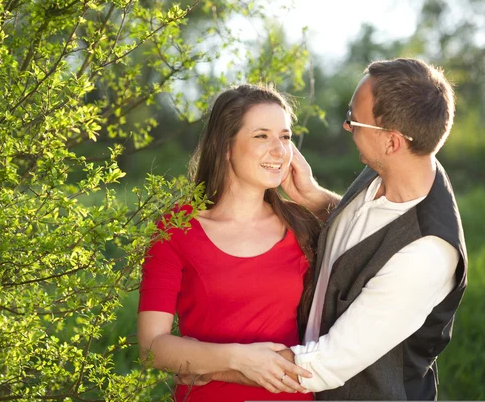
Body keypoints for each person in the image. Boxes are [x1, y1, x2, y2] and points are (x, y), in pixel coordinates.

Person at [187, 58, 467, 400]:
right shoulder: (397, 167)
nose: (347, 127)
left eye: (354, 120)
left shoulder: (426, 255)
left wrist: (205, 366)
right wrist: (317, 199)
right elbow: (367, 235)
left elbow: (319, 367)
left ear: (392, 142)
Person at [137, 84, 321, 402]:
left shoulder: (303, 226)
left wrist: (316, 198)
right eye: (262, 136)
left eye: (286, 137)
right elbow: (153, 347)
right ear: (225, 147)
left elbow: (341, 336)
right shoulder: (177, 227)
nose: (279, 150)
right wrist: (239, 359)